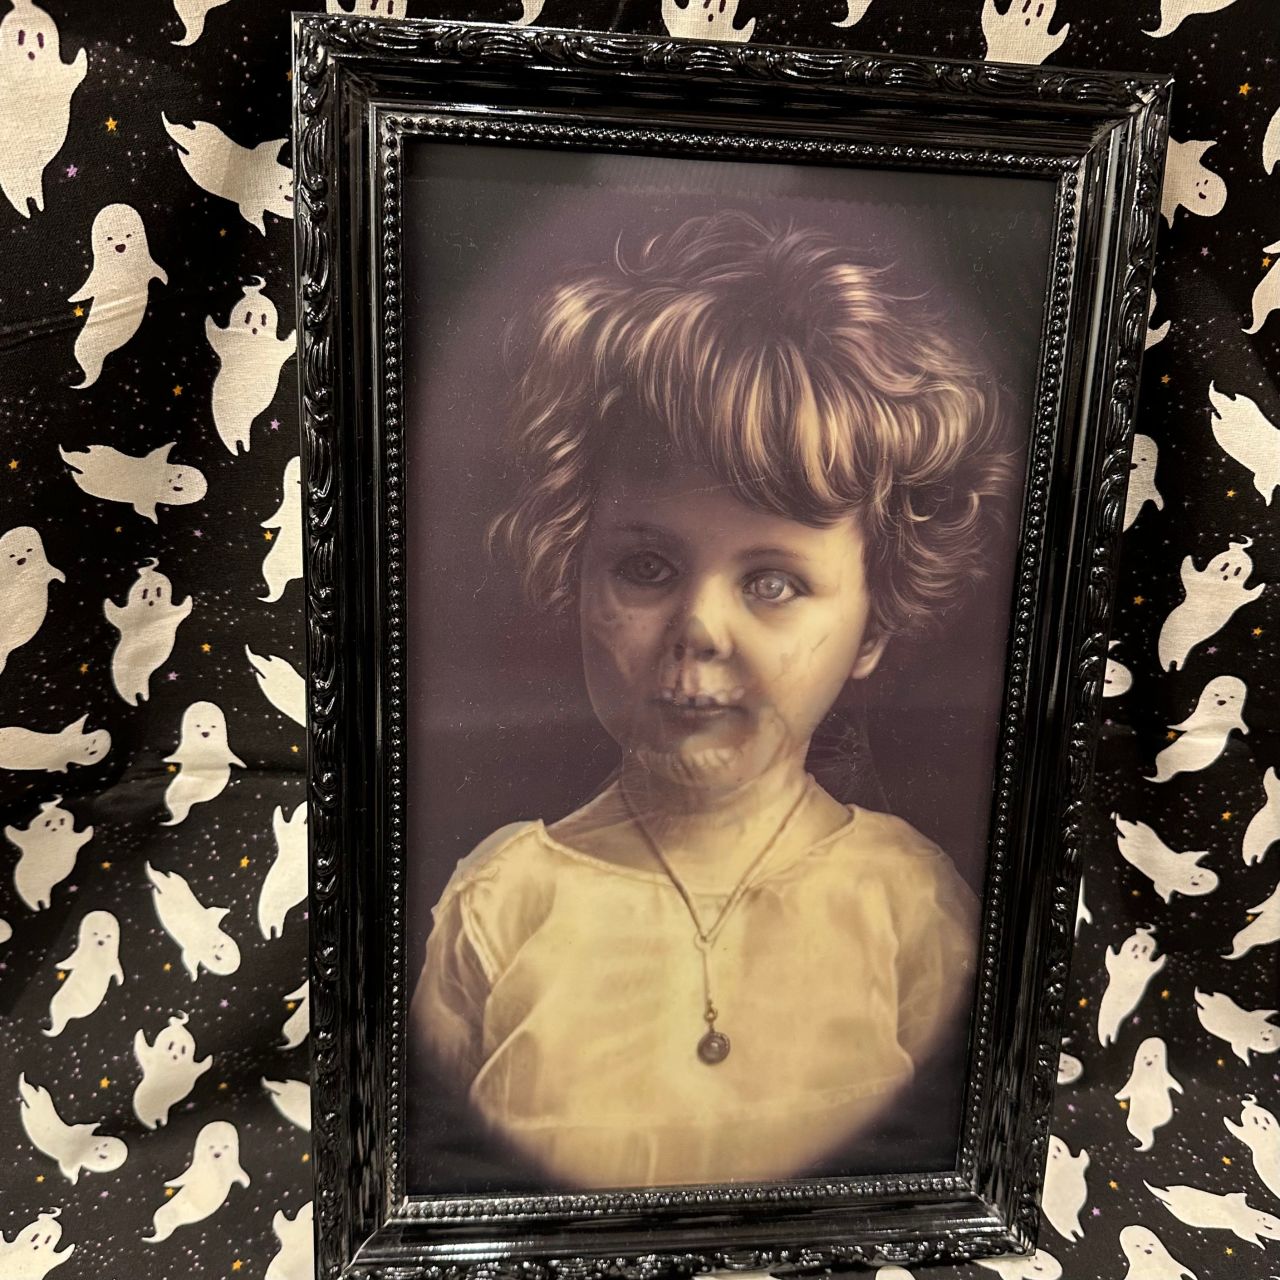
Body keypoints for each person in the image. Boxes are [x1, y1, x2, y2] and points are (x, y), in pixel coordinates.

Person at [409, 211, 1011, 1191]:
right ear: (575, 575)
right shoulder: (501, 903)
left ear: (872, 627)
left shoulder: (908, 905)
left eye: (772, 581)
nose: (698, 629)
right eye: (646, 567)